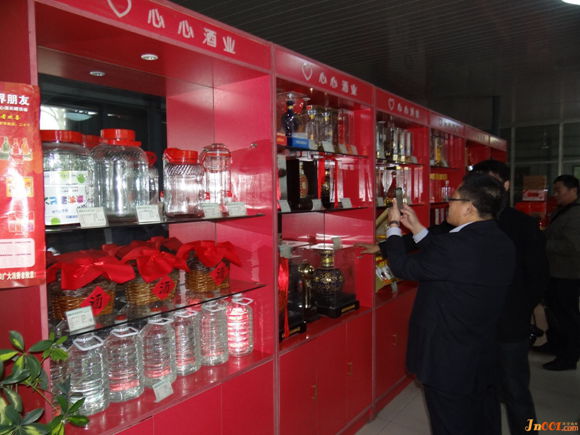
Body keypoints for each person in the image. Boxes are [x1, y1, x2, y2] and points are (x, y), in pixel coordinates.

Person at [361, 172, 515, 435]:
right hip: (481, 352)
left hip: (448, 359)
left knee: (449, 423)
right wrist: (417, 228)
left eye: (453, 199)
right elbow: (447, 260)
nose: (448, 204)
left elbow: (403, 267)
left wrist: (394, 226)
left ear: (469, 208)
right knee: (483, 418)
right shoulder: (500, 240)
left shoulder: (455, 247)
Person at [470, 160, 548, 434]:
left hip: (510, 325)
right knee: (482, 390)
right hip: (476, 325)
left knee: (515, 392)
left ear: (505, 185)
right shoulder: (468, 219)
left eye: (489, 182)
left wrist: (519, 310)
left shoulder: (522, 224)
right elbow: (436, 237)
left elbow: (538, 276)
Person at [542, 174, 580, 371]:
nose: (555, 194)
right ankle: (555, 344)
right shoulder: (563, 210)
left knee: (567, 315)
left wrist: (542, 243)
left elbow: (572, 247)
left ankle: (569, 356)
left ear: (573, 190)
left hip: (567, 274)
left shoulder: (576, 214)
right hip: (555, 271)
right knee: (554, 311)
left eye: (559, 191)